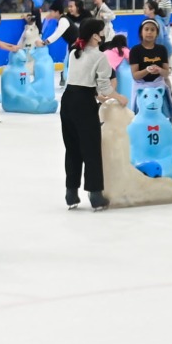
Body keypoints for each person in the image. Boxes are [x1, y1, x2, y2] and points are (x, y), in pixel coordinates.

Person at [62, 15, 115, 210]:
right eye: (101, 32)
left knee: (72, 149)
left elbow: (79, 79)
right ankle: (95, 194)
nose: (103, 35)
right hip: (84, 103)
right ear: (95, 35)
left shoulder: (74, 51)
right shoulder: (100, 57)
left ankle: (71, 193)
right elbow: (105, 88)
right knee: (91, 148)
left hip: (68, 101)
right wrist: (119, 98)